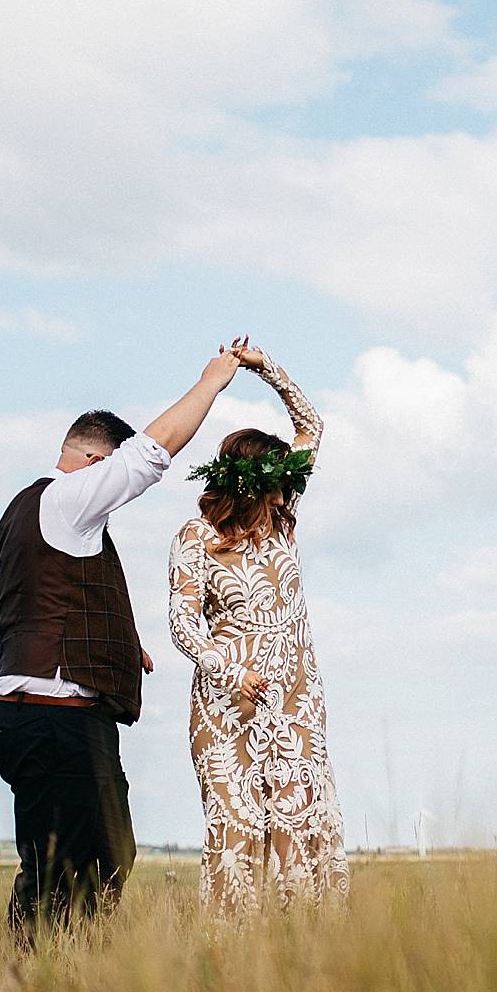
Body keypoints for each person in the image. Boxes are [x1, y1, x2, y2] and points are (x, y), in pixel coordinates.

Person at [0, 344, 246, 938]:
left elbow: (47, 606)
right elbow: (152, 454)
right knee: (94, 867)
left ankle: (34, 985)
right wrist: (211, 382)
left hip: (25, 714)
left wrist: (122, 646)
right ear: (93, 459)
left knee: (54, 869)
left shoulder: (23, 514)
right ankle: (61, 984)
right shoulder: (69, 497)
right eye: (108, 471)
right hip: (58, 720)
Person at [167, 345, 347, 913]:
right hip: (227, 704)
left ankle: (303, 959)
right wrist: (227, 668)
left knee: (300, 824)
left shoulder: (283, 524)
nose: (282, 492)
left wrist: (264, 368)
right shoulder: (194, 537)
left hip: (295, 702)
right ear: (249, 485)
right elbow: (181, 622)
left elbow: (311, 425)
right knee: (237, 832)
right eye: (272, 485)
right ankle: (229, 965)